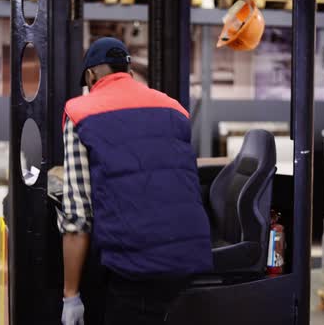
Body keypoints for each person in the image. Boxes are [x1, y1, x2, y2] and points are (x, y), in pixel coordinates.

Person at [58, 37, 213, 325]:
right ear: (128, 72)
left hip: (137, 267)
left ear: (91, 76)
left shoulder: (79, 112)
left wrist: (71, 297)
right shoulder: (175, 108)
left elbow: (77, 217)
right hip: (192, 256)